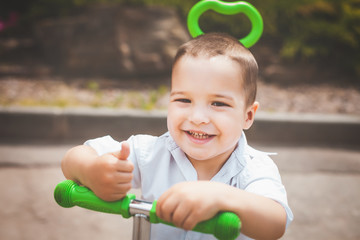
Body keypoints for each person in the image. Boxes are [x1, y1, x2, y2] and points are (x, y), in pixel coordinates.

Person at [61, 32, 293, 240]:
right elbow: (73, 159)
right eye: (184, 100)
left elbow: (275, 223)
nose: (198, 117)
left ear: (248, 116)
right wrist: (91, 170)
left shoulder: (255, 169)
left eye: (218, 103)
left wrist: (222, 196)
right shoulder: (149, 153)